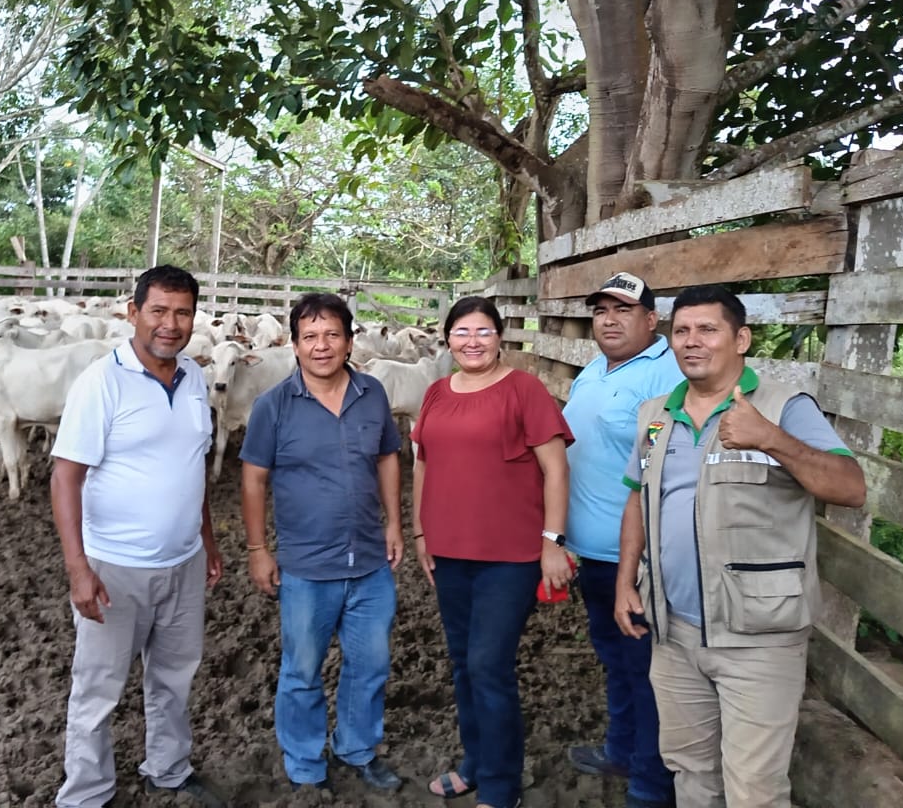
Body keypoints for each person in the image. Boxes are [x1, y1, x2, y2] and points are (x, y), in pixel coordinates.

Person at [614, 285, 866, 808]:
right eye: (681, 331)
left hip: (758, 638)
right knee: (691, 772)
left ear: (741, 338)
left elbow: (850, 488)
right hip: (673, 633)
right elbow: (638, 498)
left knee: (754, 790)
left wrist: (770, 438)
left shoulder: (783, 407)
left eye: (708, 330)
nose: (692, 342)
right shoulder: (655, 416)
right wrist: (624, 581)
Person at [49, 265, 225, 808]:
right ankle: (86, 793)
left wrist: (208, 539)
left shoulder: (194, 377)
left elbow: (190, 466)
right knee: (99, 688)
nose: (170, 324)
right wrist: (79, 567)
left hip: (184, 561)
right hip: (115, 567)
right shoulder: (101, 381)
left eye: (182, 313)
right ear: (133, 313)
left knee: (174, 676)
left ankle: (168, 769)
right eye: (159, 311)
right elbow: (65, 476)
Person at [412, 296, 574, 808]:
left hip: (510, 556)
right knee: (463, 662)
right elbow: (422, 464)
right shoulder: (437, 392)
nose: (472, 341)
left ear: (500, 337)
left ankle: (502, 787)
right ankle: (474, 764)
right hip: (449, 552)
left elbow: (556, 469)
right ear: (448, 339)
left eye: (483, 331)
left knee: (488, 664)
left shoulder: (524, 390)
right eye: (462, 332)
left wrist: (552, 542)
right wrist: (420, 533)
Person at [240, 292, 405, 794]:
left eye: (332, 334)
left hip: (370, 562)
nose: (321, 345)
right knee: (302, 668)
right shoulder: (273, 407)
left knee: (371, 664)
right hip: (307, 567)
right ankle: (306, 757)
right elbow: (253, 479)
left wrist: (395, 522)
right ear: (293, 345)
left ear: (351, 341)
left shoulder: (372, 393)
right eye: (310, 336)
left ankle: (356, 747)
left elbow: (387, 459)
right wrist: (257, 549)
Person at [562, 273, 683, 808]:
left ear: (651, 321)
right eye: (601, 310)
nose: (609, 320)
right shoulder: (592, 370)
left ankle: (650, 784)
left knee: (644, 668)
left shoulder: (666, 376)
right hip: (590, 550)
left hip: (631, 556)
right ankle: (621, 749)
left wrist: (638, 559)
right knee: (614, 658)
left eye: (624, 310)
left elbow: (659, 462)